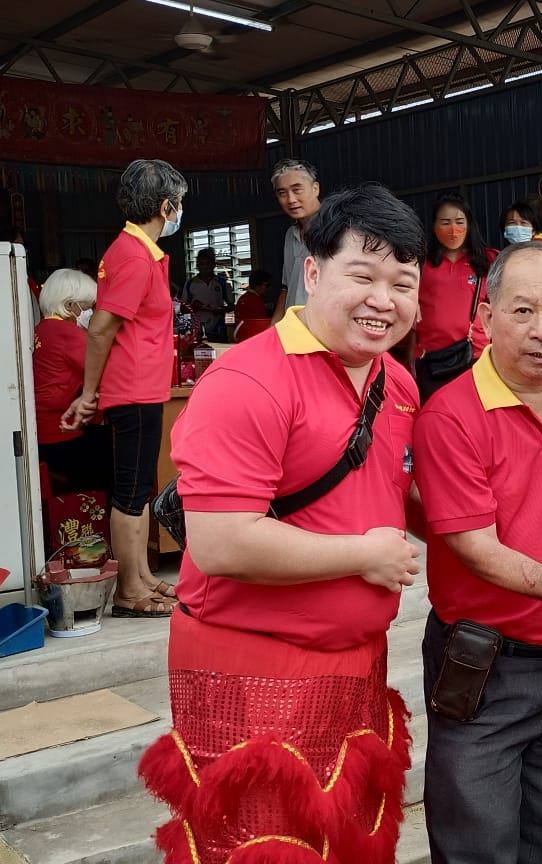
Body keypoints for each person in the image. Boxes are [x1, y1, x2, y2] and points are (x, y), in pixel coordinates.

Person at [137, 183, 425, 864]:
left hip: (354, 670)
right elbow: (222, 540)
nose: (384, 299)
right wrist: (362, 556)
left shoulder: (397, 384)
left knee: (346, 842)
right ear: (315, 271)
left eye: (402, 282)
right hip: (251, 672)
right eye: (364, 274)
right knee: (263, 848)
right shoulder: (248, 380)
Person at [414, 240, 542, 864]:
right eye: (523, 311)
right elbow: (474, 547)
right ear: (485, 316)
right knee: (477, 846)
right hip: (483, 670)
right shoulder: (450, 416)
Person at [61, 159, 187, 617]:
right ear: (165, 205)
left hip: (143, 387)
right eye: (179, 205)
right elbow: (100, 328)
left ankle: (141, 576)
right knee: (131, 493)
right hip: (132, 389)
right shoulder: (134, 255)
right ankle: (128, 592)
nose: (179, 212)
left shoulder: (139, 251)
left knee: (138, 491)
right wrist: (89, 393)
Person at [32, 268, 111, 494]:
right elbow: (108, 371)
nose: (90, 312)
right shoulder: (68, 334)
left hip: (42, 429)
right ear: (69, 306)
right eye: (87, 307)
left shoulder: (42, 329)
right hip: (61, 432)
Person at [412, 193, 497, 401]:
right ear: (433, 226)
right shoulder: (418, 262)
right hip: (431, 360)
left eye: (459, 222)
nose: (453, 229)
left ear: (469, 225)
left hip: (476, 356)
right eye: (445, 222)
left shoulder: (488, 260)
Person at [269, 157, 322, 322]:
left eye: (297, 189)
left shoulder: (339, 230)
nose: (291, 200)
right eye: (282, 193)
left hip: (326, 331)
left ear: (315, 188)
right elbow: (286, 289)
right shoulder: (291, 235)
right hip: (294, 329)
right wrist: (273, 330)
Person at [181, 247, 233, 341]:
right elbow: (183, 308)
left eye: (208, 264)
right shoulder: (190, 283)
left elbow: (231, 305)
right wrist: (194, 307)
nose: (205, 267)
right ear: (197, 265)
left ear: (214, 265)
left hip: (218, 327)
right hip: (197, 328)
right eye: (202, 264)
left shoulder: (221, 282)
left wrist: (221, 310)